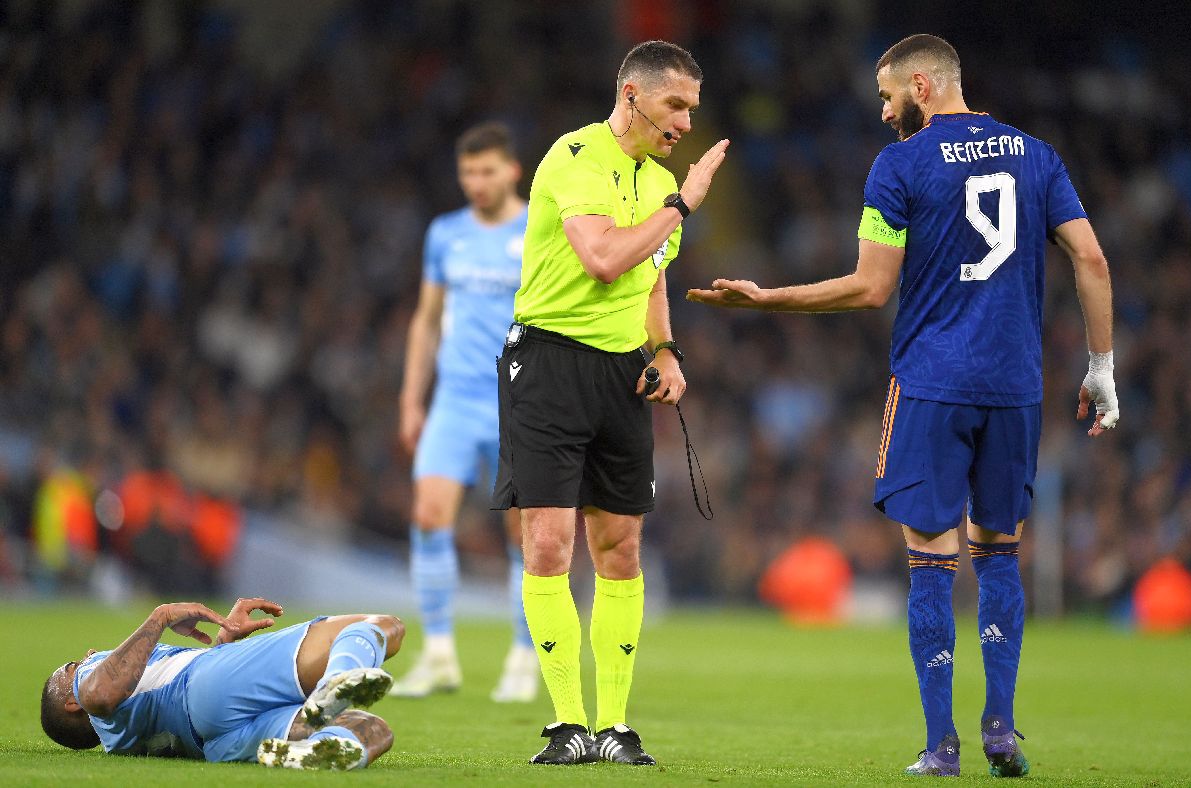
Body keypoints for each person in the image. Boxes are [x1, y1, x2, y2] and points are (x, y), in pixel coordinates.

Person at [686, 34, 1118, 778]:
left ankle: (941, 748)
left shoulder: (900, 165)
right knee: (1001, 555)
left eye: (889, 95)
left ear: (923, 83)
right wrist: (1102, 366)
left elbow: (869, 286)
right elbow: (1092, 259)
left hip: (931, 385)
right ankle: (1003, 732)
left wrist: (769, 298)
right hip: (1014, 388)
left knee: (930, 563)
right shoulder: (1037, 155)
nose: (885, 111)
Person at [491, 39, 728, 766]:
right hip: (549, 362)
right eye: (674, 104)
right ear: (632, 94)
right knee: (548, 543)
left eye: (692, 106)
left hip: (623, 374)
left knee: (620, 549)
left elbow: (651, 277)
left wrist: (664, 351)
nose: (686, 121)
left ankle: (616, 728)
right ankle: (568, 724)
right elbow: (603, 259)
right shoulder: (576, 158)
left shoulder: (657, 183)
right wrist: (683, 201)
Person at [392, 122, 538, 702]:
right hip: (453, 399)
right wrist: (410, 398)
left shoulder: (540, 230)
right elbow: (426, 320)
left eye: (487, 171)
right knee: (429, 516)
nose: (476, 183)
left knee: (522, 536)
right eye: (467, 172)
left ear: (512, 171)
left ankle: (527, 657)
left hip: (518, 400)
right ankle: (439, 656)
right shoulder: (445, 234)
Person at [40, 597, 404, 771]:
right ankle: (337, 681)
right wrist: (161, 616)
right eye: (73, 666)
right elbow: (100, 694)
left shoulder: (117, 741)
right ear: (73, 704)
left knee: (370, 728)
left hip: (216, 741)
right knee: (383, 626)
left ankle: (322, 750)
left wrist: (224, 643)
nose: (86, 654)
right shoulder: (93, 687)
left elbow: (185, 704)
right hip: (200, 688)